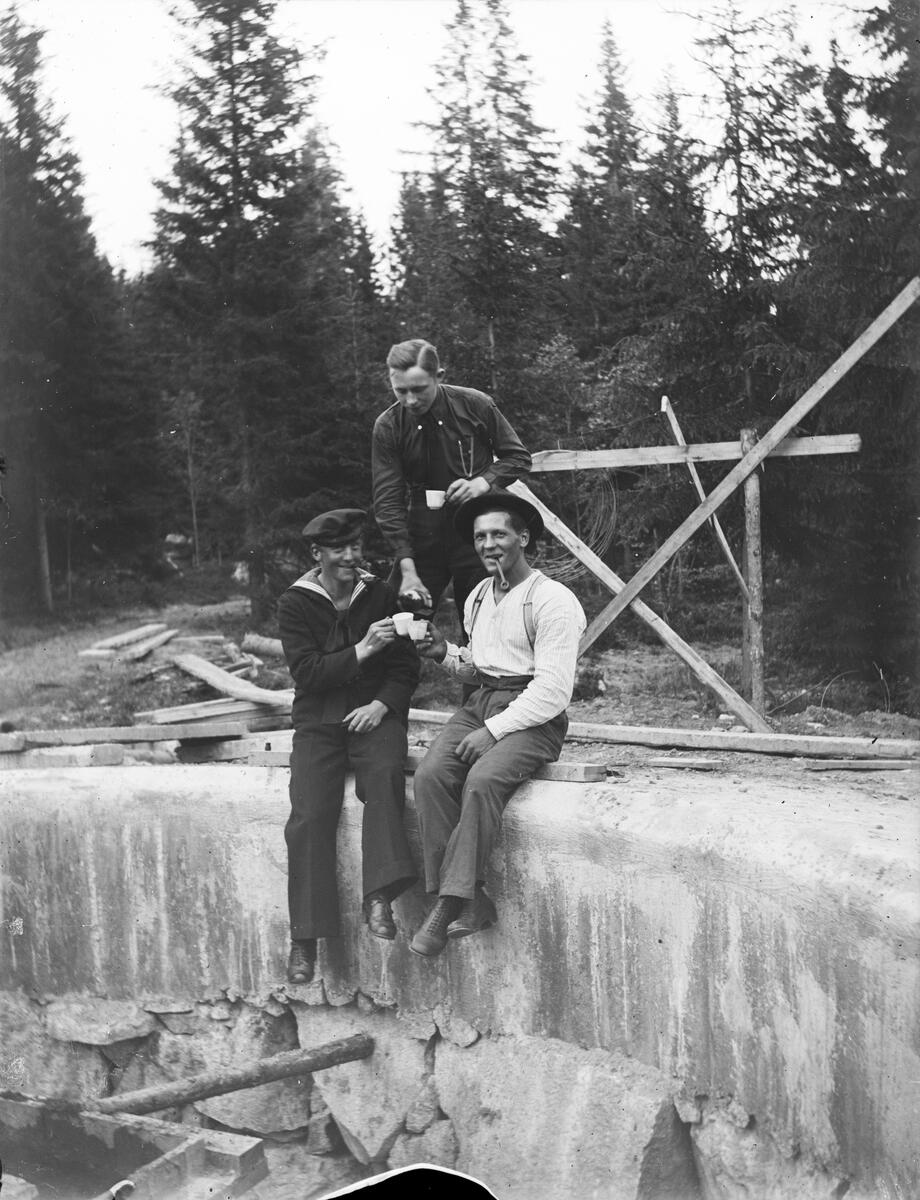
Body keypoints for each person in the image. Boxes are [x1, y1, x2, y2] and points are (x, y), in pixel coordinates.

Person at [409, 491, 586, 958]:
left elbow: (552, 691)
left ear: (523, 538)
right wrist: (443, 653)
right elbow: (480, 667)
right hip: (481, 703)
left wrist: (494, 731)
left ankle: (448, 905)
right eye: (480, 537)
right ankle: (472, 898)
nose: (489, 545)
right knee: (430, 776)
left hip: (535, 716)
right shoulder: (478, 596)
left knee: (483, 779)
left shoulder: (552, 600)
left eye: (499, 534)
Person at [278, 508, 420, 985]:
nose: (350, 556)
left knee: (383, 775)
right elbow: (308, 674)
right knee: (308, 813)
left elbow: (405, 667)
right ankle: (305, 937)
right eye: (338, 549)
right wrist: (363, 649)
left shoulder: (378, 594)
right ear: (316, 553)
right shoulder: (296, 602)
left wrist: (382, 705)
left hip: (373, 715)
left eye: (355, 546)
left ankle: (378, 896)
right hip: (319, 720)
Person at [372, 338, 532, 622]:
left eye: (419, 389)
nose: (410, 400)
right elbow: (388, 501)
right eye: (401, 391)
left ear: (439, 376)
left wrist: (481, 483)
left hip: (478, 529)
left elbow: (518, 458)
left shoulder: (475, 404)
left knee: (486, 623)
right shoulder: (388, 426)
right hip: (422, 533)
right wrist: (408, 569)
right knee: (398, 621)